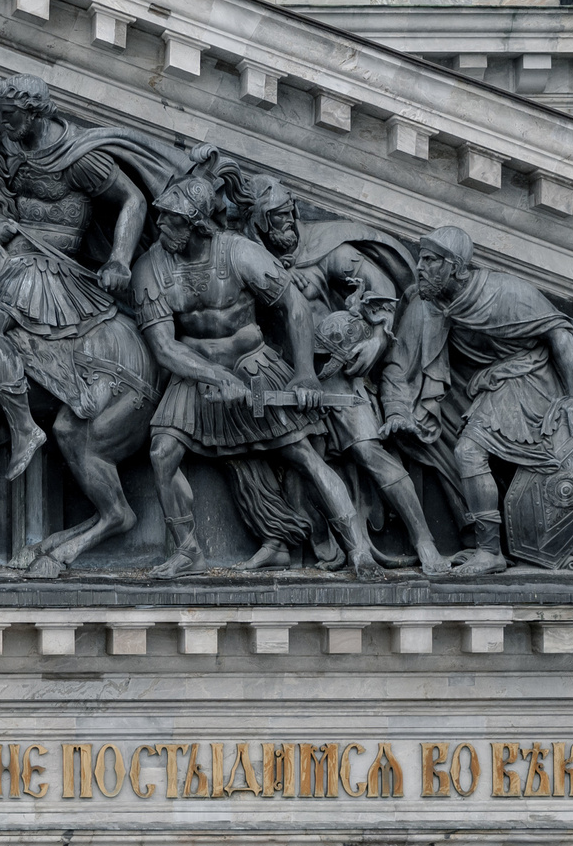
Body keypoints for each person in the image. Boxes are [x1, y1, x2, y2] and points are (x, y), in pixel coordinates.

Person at [132, 175, 388, 579]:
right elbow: (164, 347)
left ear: (197, 223)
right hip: (194, 375)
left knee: (303, 455)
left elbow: (295, 305)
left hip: (255, 366)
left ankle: (358, 551)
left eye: (172, 218)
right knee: (162, 453)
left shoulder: (239, 252)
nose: (160, 224)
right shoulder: (150, 267)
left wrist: (305, 375)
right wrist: (214, 375)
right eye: (161, 216)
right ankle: (188, 551)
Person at [0, 73, 178, 474]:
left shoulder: (78, 156)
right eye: (1, 114)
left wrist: (119, 259)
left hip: (49, 269)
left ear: (34, 113)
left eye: (10, 115)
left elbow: (132, 199)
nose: (4, 122)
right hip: (12, 257)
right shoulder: (14, 145)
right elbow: (4, 197)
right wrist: (0, 222)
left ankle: (24, 429)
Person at [386, 225, 573, 575]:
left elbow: (560, 334)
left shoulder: (506, 292)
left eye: (429, 260)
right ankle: (489, 548)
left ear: (456, 267)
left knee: (468, 451)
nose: (420, 268)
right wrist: (396, 410)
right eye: (419, 260)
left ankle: (490, 552)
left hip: (535, 378)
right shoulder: (426, 306)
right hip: (491, 385)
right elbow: (399, 364)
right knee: (463, 448)